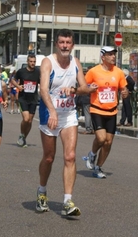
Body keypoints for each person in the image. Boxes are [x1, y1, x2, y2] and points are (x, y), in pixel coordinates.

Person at [37, 28, 95, 216]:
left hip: (69, 114)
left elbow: (85, 88)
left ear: (72, 45)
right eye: (62, 42)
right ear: (57, 44)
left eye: (68, 43)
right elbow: (43, 90)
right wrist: (52, 111)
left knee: (70, 156)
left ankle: (67, 201)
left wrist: (75, 90)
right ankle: (42, 192)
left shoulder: (75, 62)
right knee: (49, 157)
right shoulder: (48, 62)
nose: (65, 46)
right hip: (50, 114)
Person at [84, 46, 128, 178]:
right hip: (97, 109)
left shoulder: (118, 72)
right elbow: (83, 86)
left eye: (114, 54)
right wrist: (89, 88)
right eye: (110, 54)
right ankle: (92, 154)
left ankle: (98, 167)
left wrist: (125, 93)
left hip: (112, 111)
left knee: (108, 143)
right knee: (101, 138)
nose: (113, 56)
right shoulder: (93, 72)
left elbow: (123, 89)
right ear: (103, 57)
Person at [10, 54, 41, 147]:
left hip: (33, 99)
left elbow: (42, 82)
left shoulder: (38, 72)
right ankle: (21, 134)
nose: (32, 63)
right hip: (23, 98)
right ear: (27, 62)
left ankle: (23, 138)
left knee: (30, 121)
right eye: (31, 61)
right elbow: (12, 80)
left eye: (34, 62)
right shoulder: (21, 71)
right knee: (26, 119)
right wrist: (18, 86)